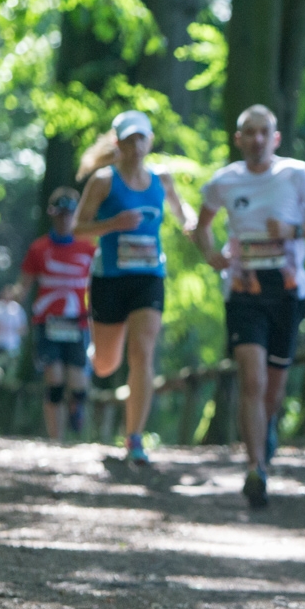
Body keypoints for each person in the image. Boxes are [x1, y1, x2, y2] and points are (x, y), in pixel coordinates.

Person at [194, 104, 305, 509]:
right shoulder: (224, 182)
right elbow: (202, 226)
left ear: (274, 138)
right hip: (243, 290)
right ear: (238, 139)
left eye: (263, 132)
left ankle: (266, 429)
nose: (256, 139)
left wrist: (292, 230)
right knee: (251, 380)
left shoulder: (297, 174)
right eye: (248, 132)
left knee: (273, 388)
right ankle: (257, 468)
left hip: (288, 291)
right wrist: (210, 255)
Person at [75, 111, 190, 466]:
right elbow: (78, 228)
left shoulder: (162, 178)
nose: (136, 146)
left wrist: (192, 222)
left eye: (142, 138)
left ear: (149, 141)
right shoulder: (103, 181)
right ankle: (97, 353)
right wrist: (114, 224)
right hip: (110, 278)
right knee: (108, 365)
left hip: (148, 276)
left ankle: (135, 438)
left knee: (142, 351)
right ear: (118, 144)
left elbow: (181, 208)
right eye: (129, 139)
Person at [20, 187, 97, 441]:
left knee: (78, 384)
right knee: (54, 380)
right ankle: (56, 440)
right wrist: (12, 303)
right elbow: (25, 285)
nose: (65, 219)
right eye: (60, 213)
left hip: (78, 322)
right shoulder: (38, 248)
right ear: (53, 214)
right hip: (47, 322)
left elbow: (97, 284)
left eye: (69, 214)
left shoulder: (88, 248)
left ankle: (77, 413)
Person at [0, 284, 28, 367]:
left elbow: (24, 329)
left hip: (12, 347)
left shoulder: (18, 309)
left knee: (10, 372)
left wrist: (13, 329)